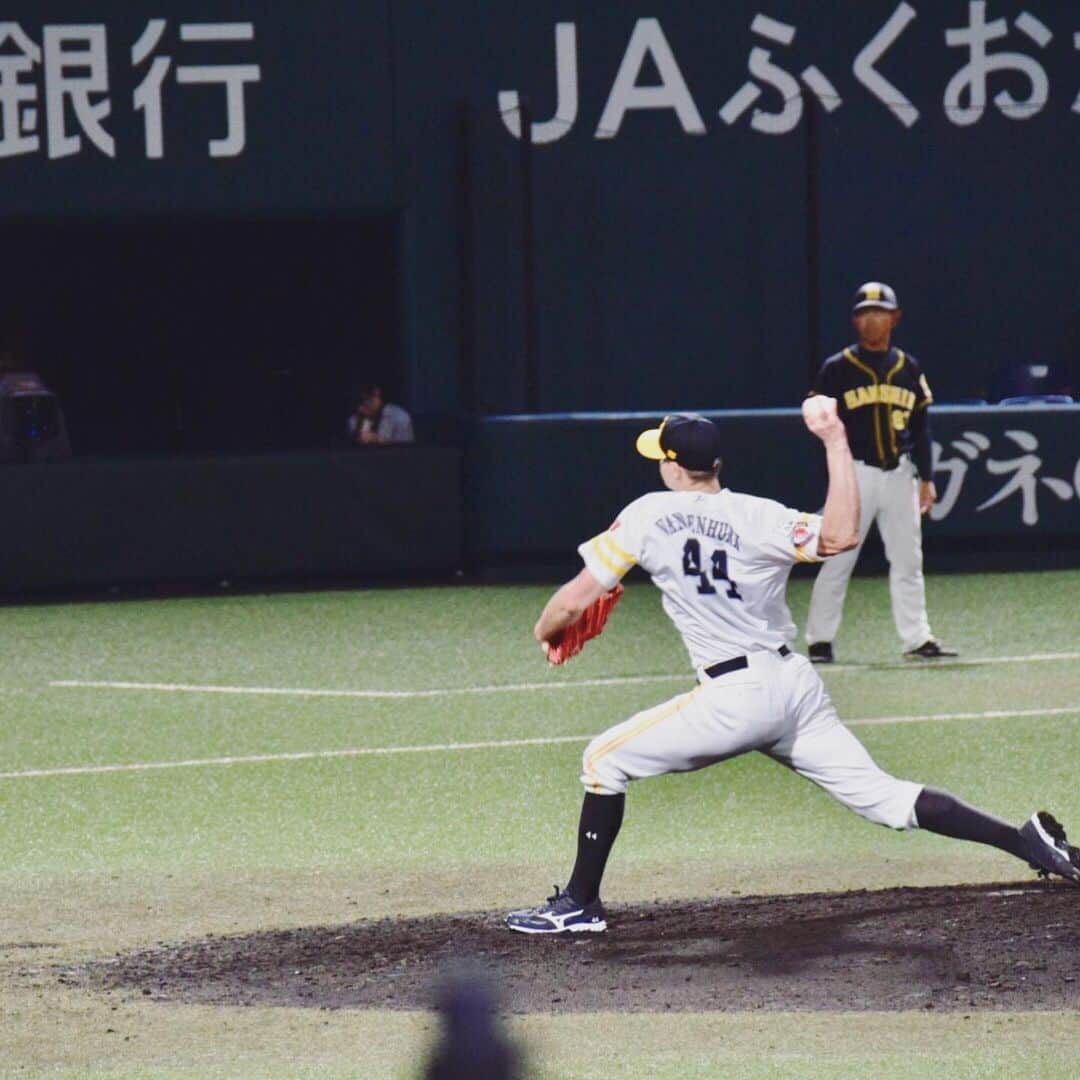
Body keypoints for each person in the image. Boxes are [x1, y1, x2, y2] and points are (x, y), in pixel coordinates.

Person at [505, 408, 1079, 934]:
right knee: (883, 798)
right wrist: (835, 441)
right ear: (717, 466)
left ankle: (580, 905)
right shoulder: (760, 515)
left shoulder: (646, 515)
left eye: (661, 456)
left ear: (674, 468)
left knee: (603, 760)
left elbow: (572, 603)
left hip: (735, 697)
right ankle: (1024, 841)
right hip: (794, 687)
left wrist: (544, 632)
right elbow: (841, 535)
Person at [804, 282, 955, 663]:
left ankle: (917, 639)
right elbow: (818, 423)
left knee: (908, 560)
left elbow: (920, 427)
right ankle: (820, 640)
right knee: (837, 558)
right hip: (855, 476)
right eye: (865, 312)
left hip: (900, 473)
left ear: (895, 317)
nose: (872, 319)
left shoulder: (908, 367)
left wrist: (927, 477)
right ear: (855, 320)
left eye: (880, 312)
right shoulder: (837, 369)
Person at [347, 383, 414, 445]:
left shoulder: (400, 417)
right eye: (360, 402)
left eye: (368, 400)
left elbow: (406, 451)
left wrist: (380, 440)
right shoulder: (355, 419)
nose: (360, 409)